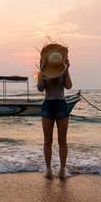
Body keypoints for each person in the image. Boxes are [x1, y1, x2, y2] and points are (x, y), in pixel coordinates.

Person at [37, 41, 72, 178]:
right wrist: (41, 70)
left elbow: (68, 86)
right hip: (48, 104)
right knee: (47, 140)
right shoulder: (45, 71)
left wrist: (67, 68)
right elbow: (40, 88)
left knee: (62, 140)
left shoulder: (63, 70)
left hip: (61, 104)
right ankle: (48, 168)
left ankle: (62, 169)